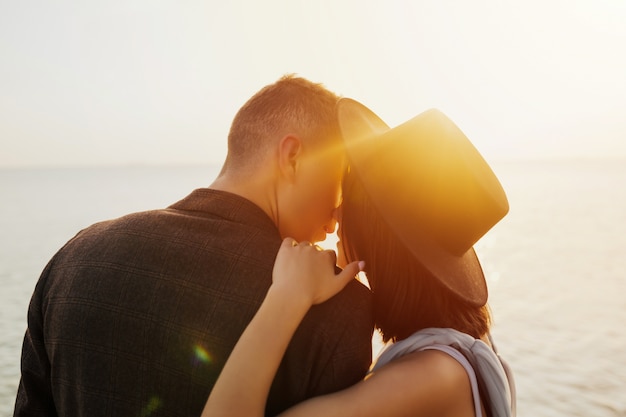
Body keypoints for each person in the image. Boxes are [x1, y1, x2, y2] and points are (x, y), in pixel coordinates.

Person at [14, 77, 374, 417]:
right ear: (292, 157)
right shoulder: (338, 308)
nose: (333, 222)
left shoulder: (73, 260)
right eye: (337, 184)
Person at [202, 98, 516, 417]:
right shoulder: (463, 346)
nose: (336, 213)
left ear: (375, 232)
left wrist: (286, 296)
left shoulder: (436, 377)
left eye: (349, 198)